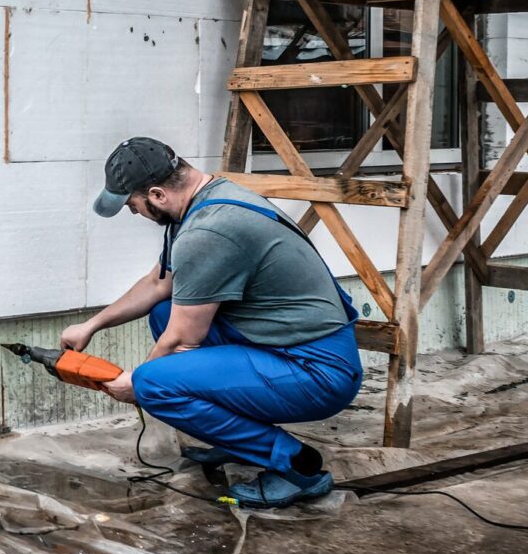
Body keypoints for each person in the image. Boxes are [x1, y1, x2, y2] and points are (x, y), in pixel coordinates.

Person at [63, 136, 363, 506]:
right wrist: (91, 325)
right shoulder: (204, 202)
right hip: (282, 344)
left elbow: (179, 341)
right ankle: (239, 441)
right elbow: (158, 285)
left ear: (157, 195)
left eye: (132, 205)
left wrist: (136, 385)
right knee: (163, 312)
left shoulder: (209, 231)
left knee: (156, 386)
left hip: (317, 370)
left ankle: (298, 467)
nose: (133, 213)